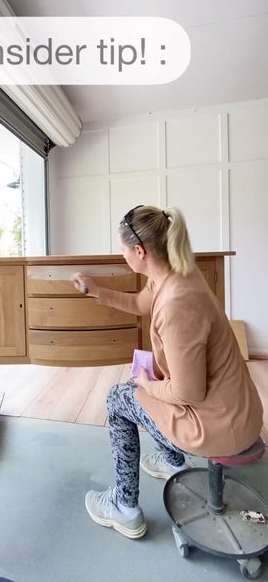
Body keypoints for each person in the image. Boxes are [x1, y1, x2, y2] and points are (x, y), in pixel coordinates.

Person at [73, 205, 263, 540]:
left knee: (118, 398)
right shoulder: (177, 274)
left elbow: (189, 393)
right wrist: (96, 290)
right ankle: (172, 460)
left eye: (122, 249)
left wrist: (146, 383)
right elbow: (141, 304)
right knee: (146, 387)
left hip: (217, 426)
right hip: (238, 412)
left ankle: (124, 507)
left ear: (139, 251)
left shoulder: (177, 303)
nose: (122, 255)